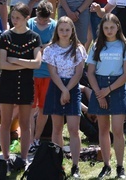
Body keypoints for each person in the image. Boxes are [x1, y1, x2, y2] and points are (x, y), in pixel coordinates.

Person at [86, 14, 126, 180]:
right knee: (103, 129)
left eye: (112, 27)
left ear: (118, 27)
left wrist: (109, 89)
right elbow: (90, 72)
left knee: (118, 130)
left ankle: (120, 167)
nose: (109, 31)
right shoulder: (96, 45)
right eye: (105, 28)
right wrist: (99, 93)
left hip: (117, 87)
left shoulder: (125, 46)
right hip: (99, 87)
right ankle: (106, 165)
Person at [0, 2, 42, 170]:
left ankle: (23, 158)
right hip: (8, 83)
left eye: (18, 18)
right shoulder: (5, 37)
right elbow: (2, 64)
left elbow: (37, 63)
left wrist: (16, 60)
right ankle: (6, 157)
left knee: (25, 123)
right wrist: (27, 63)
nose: (14, 20)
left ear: (26, 18)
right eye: (12, 17)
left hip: (25, 83)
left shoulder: (33, 37)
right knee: (6, 122)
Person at [43, 16, 86, 178]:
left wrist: (68, 90)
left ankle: (75, 166)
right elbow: (52, 72)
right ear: (57, 31)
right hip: (56, 87)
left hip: (72, 87)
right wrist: (62, 89)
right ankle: (57, 163)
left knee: (74, 129)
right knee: (57, 128)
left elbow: (79, 72)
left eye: (67, 30)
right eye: (61, 30)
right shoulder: (50, 49)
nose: (64, 33)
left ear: (72, 31)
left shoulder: (78, 49)